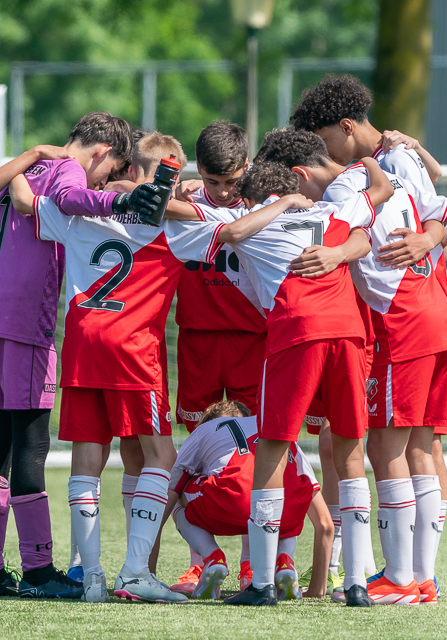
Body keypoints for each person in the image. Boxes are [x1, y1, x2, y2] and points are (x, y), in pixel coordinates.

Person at [8, 133, 312, 604]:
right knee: (163, 458)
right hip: (134, 350)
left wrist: (35, 160)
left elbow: (25, 199)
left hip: (84, 342)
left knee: (86, 462)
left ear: (130, 168)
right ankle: (135, 572)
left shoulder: (85, 209)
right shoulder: (172, 226)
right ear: (174, 174)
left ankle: (90, 578)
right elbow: (232, 231)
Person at [165, 157, 395, 606]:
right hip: (347, 332)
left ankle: (262, 582)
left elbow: (184, 217)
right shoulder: (334, 211)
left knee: (271, 446)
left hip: (296, 332)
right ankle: (355, 584)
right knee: (350, 450)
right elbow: (381, 193)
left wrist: (183, 187)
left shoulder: (246, 219)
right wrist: (368, 161)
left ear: (251, 197)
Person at [292, 74, 447, 598]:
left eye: (324, 139)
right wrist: (430, 237)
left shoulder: (361, 179)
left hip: (403, 319)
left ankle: (400, 576)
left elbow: (356, 236)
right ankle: (419, 578)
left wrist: (337, 253)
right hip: (435, 312)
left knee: (389, 448)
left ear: (345, 129)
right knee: (419, 447)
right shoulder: (395, 159)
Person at [0, 114, 133, 599]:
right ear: (101, 152)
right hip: (24, 321)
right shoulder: (70, 171)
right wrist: (121, 199)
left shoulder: (20, 170)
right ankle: (38, 571)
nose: (101, 180)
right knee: (32, 442)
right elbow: (71, 198)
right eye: (109, 170)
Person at [168, 121, 263, 595]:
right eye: (213, 182)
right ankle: (200, 562)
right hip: (199, 339)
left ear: (247, 168)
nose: (224, 194)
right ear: (198, 172)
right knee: (198, 452)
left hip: (253, 340)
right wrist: (176, 189)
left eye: (232, 182)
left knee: (254, 451)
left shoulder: (263, 205)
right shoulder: (183, 203)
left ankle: (253, 563)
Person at [166, 400, 332, 602]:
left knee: (178, 487)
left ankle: (212, 557)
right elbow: (325, 524)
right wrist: (317, 589)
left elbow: (171, 487)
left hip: (228, 502)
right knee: (288, 493)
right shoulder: (278, 430)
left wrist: (146, 557)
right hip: (280, 513)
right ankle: (285, 561)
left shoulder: (203, 430)